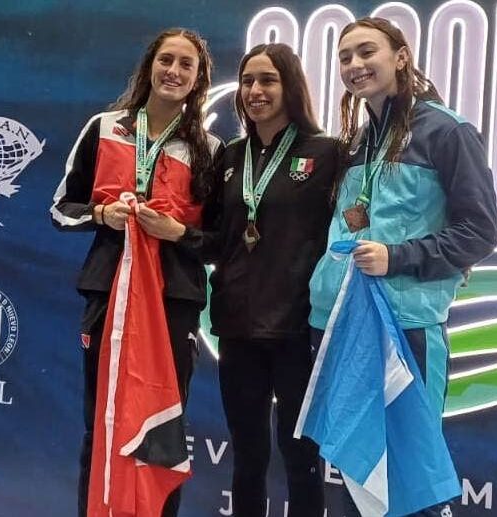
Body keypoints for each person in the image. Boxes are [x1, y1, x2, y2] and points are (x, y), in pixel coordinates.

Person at [307, 17, 497, 516]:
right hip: (343, 325)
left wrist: (399, 256)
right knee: (360, 483)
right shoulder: (357, 141)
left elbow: (480, 230)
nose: (354, 64)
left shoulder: (447, 130)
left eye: (366, 51)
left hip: (405, 330)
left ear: (400, 56)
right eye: (345, 56)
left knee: (409, 490)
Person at [137, 43, 339, 517]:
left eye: (267, 80)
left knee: (301, 458)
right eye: (248, 81)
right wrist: (178, 233)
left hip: (298, 331)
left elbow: (350, 231)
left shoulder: (327, 154)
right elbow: (216, 242)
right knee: (248, 458)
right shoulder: (228, 158)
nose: (255, 91)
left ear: (290, 86)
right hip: (237, 329)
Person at [50, 28, 221, 517]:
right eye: (166, 60)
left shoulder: (209, 148)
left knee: (161, 431)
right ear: (149, 67)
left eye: (186, 65)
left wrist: (176, 233)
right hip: (107, 294)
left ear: (198, 79)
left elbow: (219, 243)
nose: (174, 71)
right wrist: (101, 216)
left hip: (173, 303)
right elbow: (61, 208)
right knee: (100, 421)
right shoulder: (105, 127)